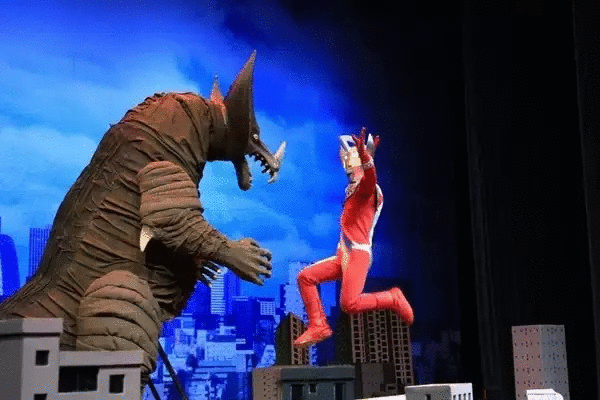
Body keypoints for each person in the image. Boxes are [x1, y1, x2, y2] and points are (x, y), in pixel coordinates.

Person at [294, 127, 414, 348]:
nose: (347, 162)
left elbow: (369, 179)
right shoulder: (352, 190)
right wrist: (355, 154)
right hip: (344, 255)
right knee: (305, 277)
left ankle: (393, 297)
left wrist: (366, 158)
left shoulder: (368, 190)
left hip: (357, 255)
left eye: (352, 158)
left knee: (349, 304)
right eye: (345, 158)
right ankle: (318, 325)